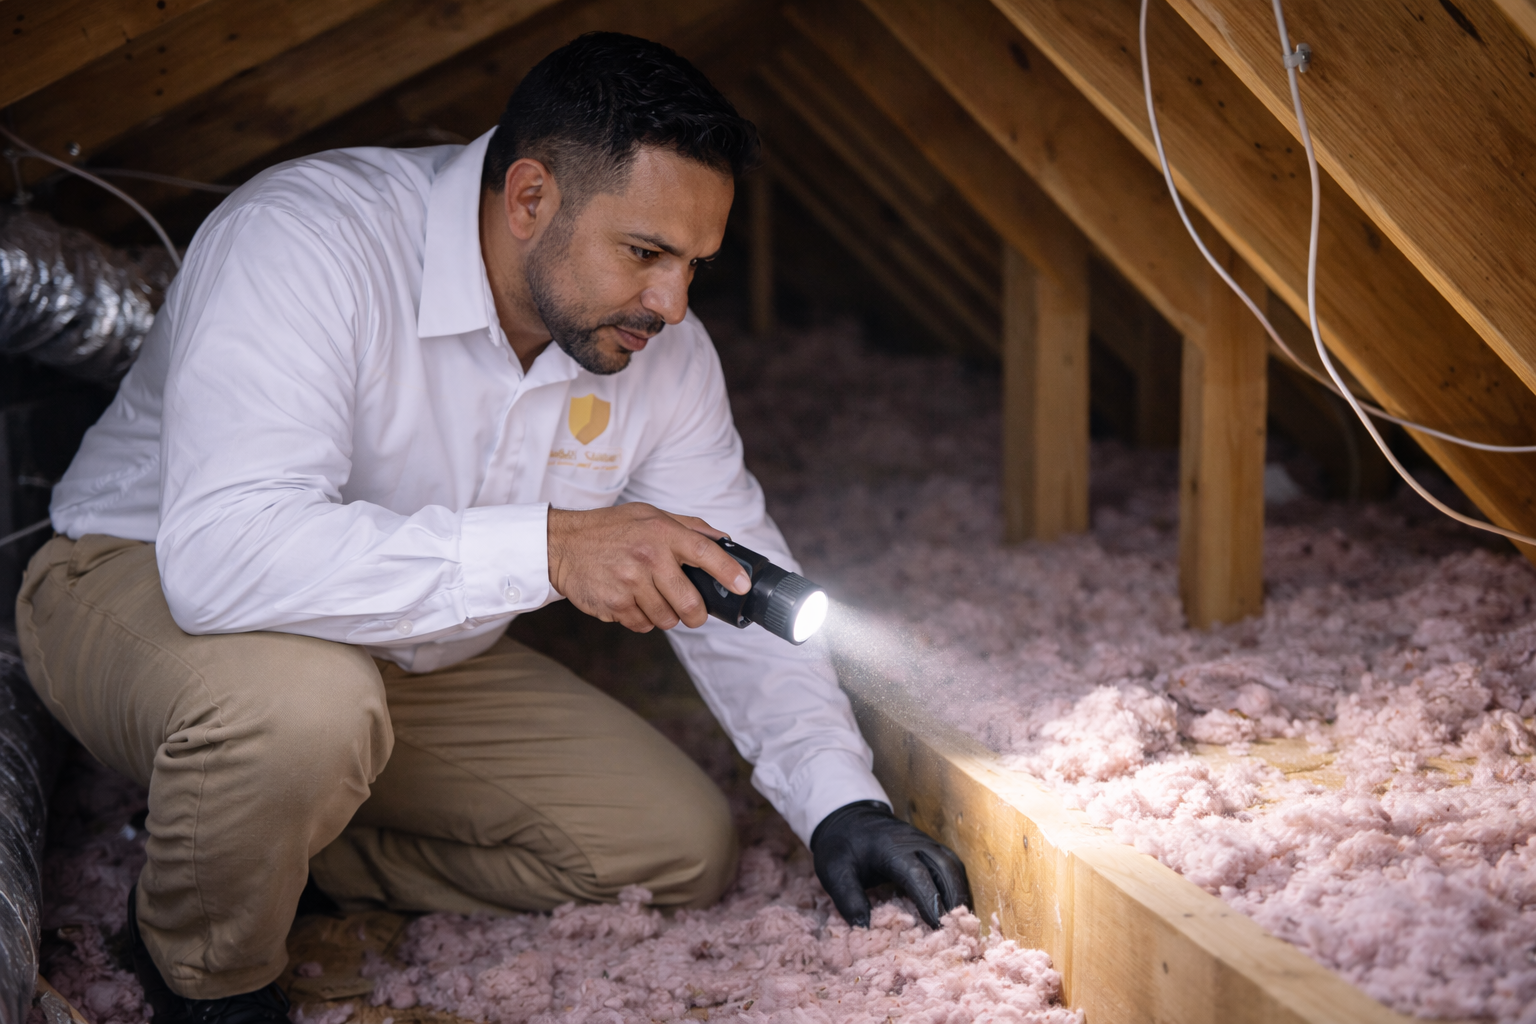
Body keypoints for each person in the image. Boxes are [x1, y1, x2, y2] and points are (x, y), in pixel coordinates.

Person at [16, 32, 970, 1024]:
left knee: (674, 842)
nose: (673, 303)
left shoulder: (662, 353)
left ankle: (252, 837)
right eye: (645, 253)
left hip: (394, 650)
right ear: (529, 199)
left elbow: (725, 575)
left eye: (695, 264)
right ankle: (203, 966)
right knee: (304, 712)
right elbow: (224, 559)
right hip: (140, 576)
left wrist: (838, 800)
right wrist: (554, 546)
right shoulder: (306, 240)